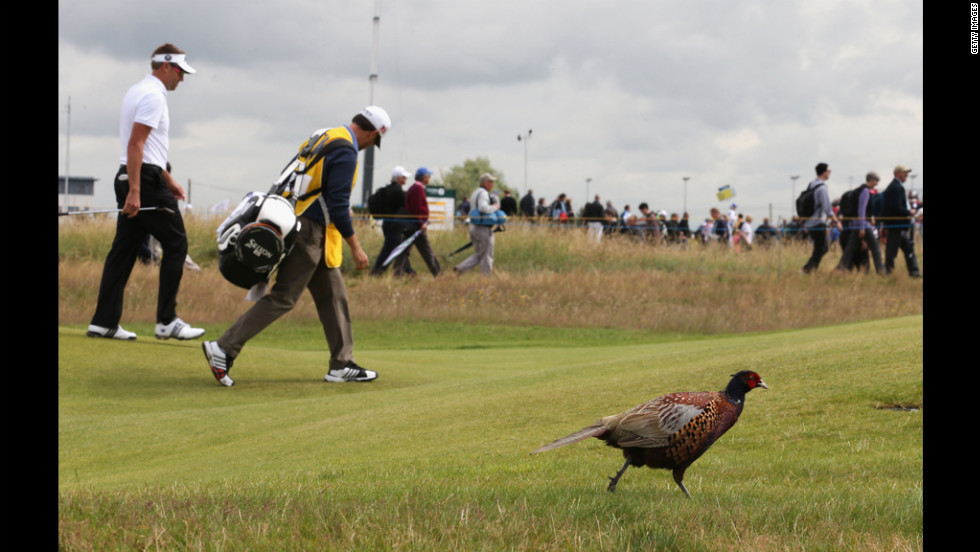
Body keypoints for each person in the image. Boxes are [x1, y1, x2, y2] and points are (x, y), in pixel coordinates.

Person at [201, 106, 390, 387]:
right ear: (373, 132)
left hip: (298, 223)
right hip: (309, 232)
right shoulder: (347, 150)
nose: (369, 147)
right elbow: (337, 205)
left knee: (334, 295)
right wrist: (356, 247)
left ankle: (342, 364)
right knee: (284, 297)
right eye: (374, 141)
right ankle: (224, 347)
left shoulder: (326, 135)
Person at [87, 43, 205, 342]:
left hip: (136, 175)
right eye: (179, 72)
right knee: (177, 243)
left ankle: (104, 322)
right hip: (143, 181)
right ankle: (167, 320)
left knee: (124, 251)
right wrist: (138, 191)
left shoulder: (137, 90)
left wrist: (168, 179)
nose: (182, 78)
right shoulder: (154, 96)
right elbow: (136, 145)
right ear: (165, 66)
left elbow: (145, 149)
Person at [835, 172, 884, 274]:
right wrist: (862, 228)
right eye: (876, 181)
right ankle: (881, 271)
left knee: (849, 250)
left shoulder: (859, 190)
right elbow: (861, 210)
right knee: (876, 248)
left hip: (855, 225)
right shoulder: (865, 191)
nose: (877, 184)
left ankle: (840, 268)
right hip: (863, 225)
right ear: (871, 180)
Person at [370, 166, 415, 276]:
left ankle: (408, 271)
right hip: (394, 225)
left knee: (398, 247)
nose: (406, 179)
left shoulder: (387, 189)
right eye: (404, 177)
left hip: (387, 223)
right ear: (398, 178)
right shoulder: (398, 191)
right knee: (389, 249)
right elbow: (405, 206)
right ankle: (377, 271)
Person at [397, 167, 442, 276]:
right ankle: (438, 274)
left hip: (414, 224)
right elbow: (417, 208)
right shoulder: (418, 188)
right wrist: (422, 223)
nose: (430, 178)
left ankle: (397, 273)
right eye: (429, 176)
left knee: (404, 251)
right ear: (424, 177)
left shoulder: (414, 187)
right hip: (417, 226)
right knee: (427, 251)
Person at [453, 173, 499, 277]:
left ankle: (459, 269)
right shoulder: (484, 194)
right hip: (483, 228)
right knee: (487, 256)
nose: (493, 184)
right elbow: (483, 208)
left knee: (479, 255)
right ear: (485, 183)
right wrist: (495, 207)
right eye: (491, 182)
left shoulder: (475, 193)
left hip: (474, 227)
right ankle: (486, 280)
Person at [801, 163, 842, 274]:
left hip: (810, 222)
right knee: (822, 247)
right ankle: (808, 270)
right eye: (829, 171)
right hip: (818, 222)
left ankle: (808, 269)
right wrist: (837, 222)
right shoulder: (822, 188)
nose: (830, 173)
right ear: (824, 172)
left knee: (821, 247)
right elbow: (827, 208)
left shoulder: (812, 184)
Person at [882, 165, 921, 277]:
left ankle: (914, 272)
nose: (906, 175)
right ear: (897, 173)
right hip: (896, 225)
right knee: (892, 251)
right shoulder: (895, 187)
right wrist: (909, 212)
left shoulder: (897, 186)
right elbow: (895, 207)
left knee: (908, 249)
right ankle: (889, 272)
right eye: (904, 172)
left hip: (899, 225)